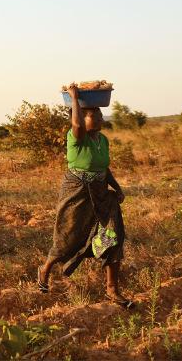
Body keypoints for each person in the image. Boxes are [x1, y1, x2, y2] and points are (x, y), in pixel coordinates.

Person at [37, 84, 133, 308]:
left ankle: (112, 289)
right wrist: (74, 98)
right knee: (68, 236)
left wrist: (116, 187)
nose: (97, 117)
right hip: (77, 190)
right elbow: (77, 124)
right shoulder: (75, 136)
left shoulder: (102, 140)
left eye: (98, 113)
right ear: (79, 116)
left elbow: (103, 168)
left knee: (111, 237)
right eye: (91, 114)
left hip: (101, 193)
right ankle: (45, 269)